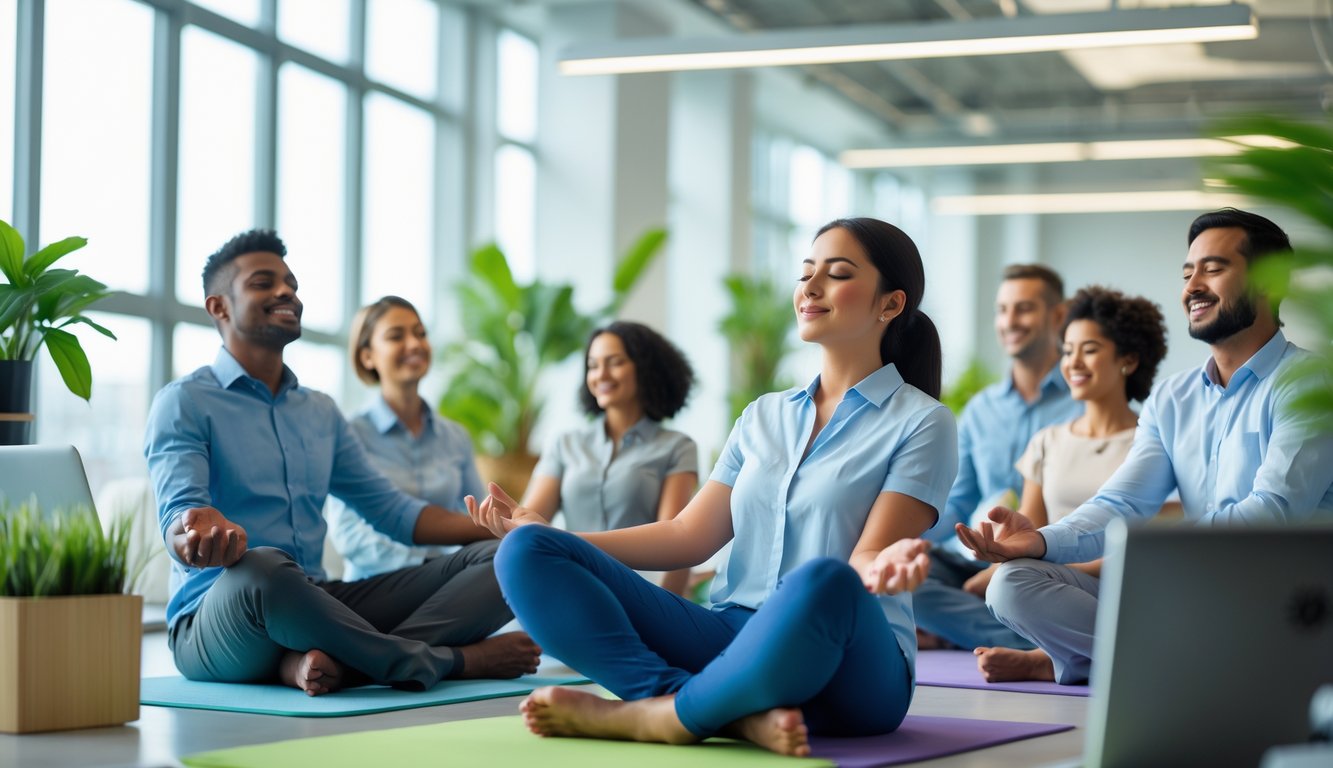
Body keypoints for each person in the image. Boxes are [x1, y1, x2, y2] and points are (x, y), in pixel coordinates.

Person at [467, 217, 957, 757]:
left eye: (837, 274)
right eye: (805, 273)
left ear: (890, 305)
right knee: (525, 550)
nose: (810, 288)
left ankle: (659, 717)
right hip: (732, 640)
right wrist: (564, 541)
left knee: (825, 580)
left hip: (852, 666)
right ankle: (693, 707)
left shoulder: (923, 422)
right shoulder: (763, 415)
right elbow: (689, 535)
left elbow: (866, 556)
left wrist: (882, 569)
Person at [144, 229, 540, 696]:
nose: (285, 291)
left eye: (290, 282)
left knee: (513, 556)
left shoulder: (320, 412)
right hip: (220, 618)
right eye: (263, 283)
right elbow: (179, 516)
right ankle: (451, 661)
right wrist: (194, 535)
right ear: (220, 307)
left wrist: (507, 527)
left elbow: (395, 514)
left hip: (318, 605)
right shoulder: (184, 402)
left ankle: (344, 667)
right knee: (263, 568)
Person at [960, 208, 1333, 685]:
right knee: (1012, 584)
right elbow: (1123, 502)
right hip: (1188, 600)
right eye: (1187, 272)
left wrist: (1150, 557)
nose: (1192, 285)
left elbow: (1273, 513)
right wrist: (1040, 541)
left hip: (1276, 604)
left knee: (1153, 591)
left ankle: (1093, 659)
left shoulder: (1308, 383)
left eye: (1213, 269)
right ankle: (1170, 664)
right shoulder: (1173, 398)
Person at [970, 286, 1172, 683]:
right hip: (1059, 592)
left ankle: (1053, 660)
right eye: (1067, 350)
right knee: (1005, 584)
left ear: (1128, 359)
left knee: (1011, 584)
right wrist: (1006, 552)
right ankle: (1069, 658)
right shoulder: (1048, 441)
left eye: (1090, 349)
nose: (1073, 362)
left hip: (1128, 587)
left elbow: (1159, 546)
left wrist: (1060, 564)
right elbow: (1030, 531)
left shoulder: (1155, 441)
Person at [913, 264, 1083, 651]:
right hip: (976, 558)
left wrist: (1008, 563)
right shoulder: (980, 409)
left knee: (1016, 586)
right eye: (1002, 310)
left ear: (1059, 315)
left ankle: (968, 630)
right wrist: (902, 540)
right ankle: (1032, 642)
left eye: (1023, 308)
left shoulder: (1088, 403)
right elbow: (958, 502)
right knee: (909, 579)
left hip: (1048, 561)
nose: (1010, 321)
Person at [522, 321, 698, 595]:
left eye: (615, 362)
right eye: (593, 366)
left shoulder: (677, 447)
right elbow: (531, 518)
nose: (601, 374)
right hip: (571, 586)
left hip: (641, 594)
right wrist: (505, 518)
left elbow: (676, 545)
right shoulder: (565, 444)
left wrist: (670, 612)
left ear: (645, 369)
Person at [325, 296, 487, 582]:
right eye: (396, 336)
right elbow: (348, 534)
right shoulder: (350, 432)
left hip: (449, 582)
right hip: (376, 586)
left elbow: (481, 517)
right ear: (367, 356)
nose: (414, 344)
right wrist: (428, 564)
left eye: (420, 334)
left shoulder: (455, 437)